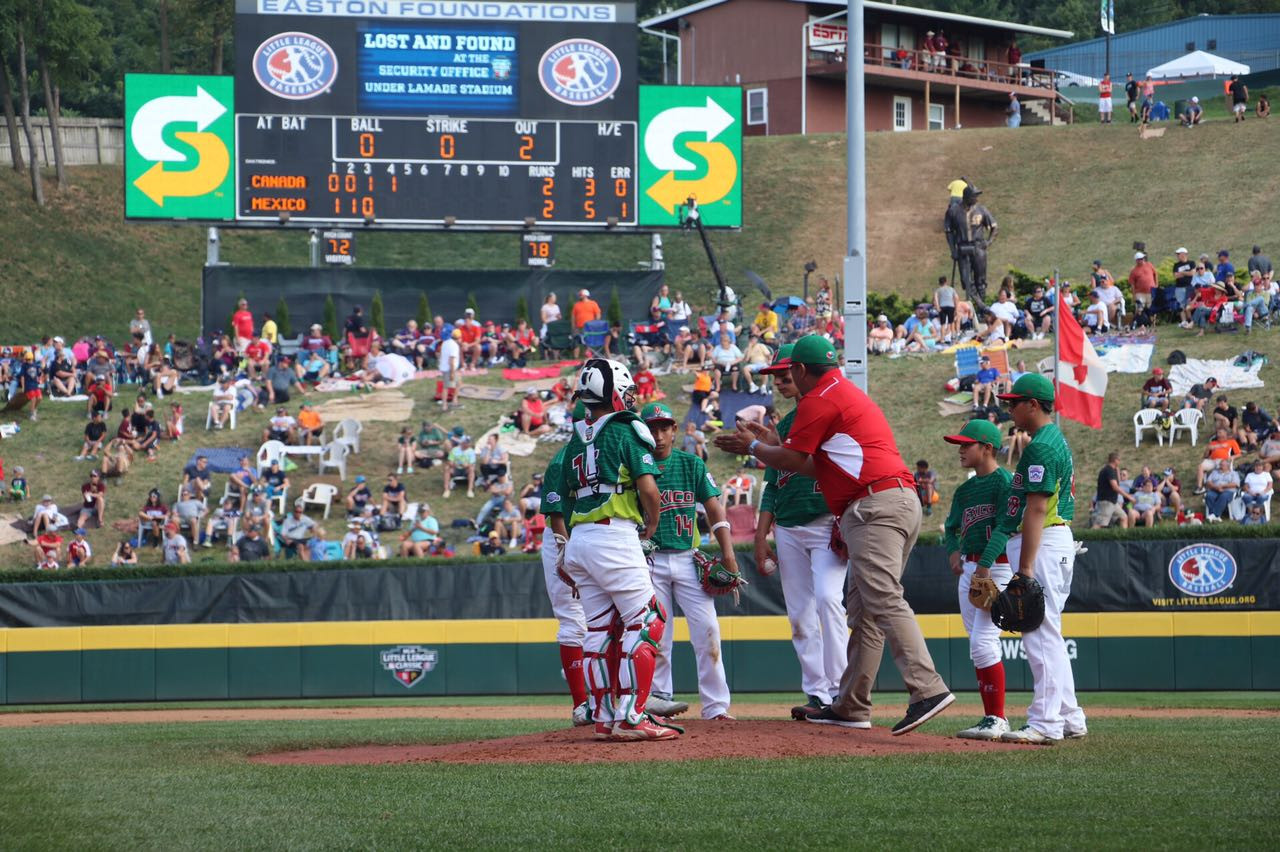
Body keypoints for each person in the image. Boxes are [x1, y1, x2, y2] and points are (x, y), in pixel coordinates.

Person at [716, 335, 954, 734]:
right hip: (890, 500)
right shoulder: (841, 391)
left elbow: (792, 458)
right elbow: (815, 466)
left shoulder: (819, 398)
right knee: (864, 611)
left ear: (800, 369)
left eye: (789, 371)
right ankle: (851, 705)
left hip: (874, 506)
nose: (787, 378)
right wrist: (772, 445)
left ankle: (927, 688)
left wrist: (755, 446)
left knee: (882, 598)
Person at [557, 359, 677, 741]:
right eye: (626, 391)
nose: (632, 397)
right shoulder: (627, 430)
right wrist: (652, 526)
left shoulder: (575, 438)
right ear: (613, 394)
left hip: (580, 539)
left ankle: (605, 717)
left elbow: (565, 497)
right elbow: (648, 489)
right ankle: (632, 717)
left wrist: (566, 548)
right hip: (614, 535)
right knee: (647, 621)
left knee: (598, 630)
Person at [977, 373, 1086, 743]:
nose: (1010, 409)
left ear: (1033, 405)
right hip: (1053, 542)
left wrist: (1024, 570)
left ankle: (1046, 722)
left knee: (1039, 634)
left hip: (1043, 543)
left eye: (1014, 403)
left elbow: (1037, 507)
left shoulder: (1041, 447)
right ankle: (1070, 716)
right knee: (1048, 632)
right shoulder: (1051, 439)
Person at [751, 345, 848, 720]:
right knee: (800, 614)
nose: (779, 381)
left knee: (828, 599)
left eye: (784, 373)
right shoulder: (785, 425)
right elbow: (772, 485)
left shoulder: (829, 412)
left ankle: (841, 692)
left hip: (825, 522)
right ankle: (817, 693)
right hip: (788, 528)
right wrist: (761, 536)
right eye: (775, 376)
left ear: (802, 371)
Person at [637, 401, 737, 722]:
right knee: (658, 634)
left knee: (708, 630)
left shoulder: (690, 464)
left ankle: (716, 706)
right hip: (650, 560)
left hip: (687, 558)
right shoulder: (635, 466)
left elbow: (714, 507)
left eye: (664, 428)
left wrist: (728, 553)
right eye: (652, 429)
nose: (658, 435)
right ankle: (660, 701)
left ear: (674, 430)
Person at [939, 418, 1014, 740]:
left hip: (996, 567)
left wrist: (984, 565)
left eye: (965, 445)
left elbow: (1005, 527)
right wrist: (953, 550)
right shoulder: (965, 490)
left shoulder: (1004, 482)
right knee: (977, 644)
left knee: (983, 642)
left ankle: (997, 718)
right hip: (972, 569)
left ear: (986, 448)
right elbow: (951, 527)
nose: (960, 450)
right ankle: (991, 717)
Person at [535, 403, 593, 726]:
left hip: (595, 535)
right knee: (573, 620)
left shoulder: (606, 452)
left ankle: (611, 697)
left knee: (607, 619)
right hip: (564, 538)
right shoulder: (561, 461)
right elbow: (556, 515)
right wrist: (565, 556)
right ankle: (581, 704)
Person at [943, 185, 998, 314]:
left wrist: (988, 242)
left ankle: (982, 311)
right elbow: (949, 231)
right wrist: (953, 250)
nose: (976, 199)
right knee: (966, 281)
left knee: (981, 280)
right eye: (974, 196)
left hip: (978, 247)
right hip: (962, 247)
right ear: (967, 197)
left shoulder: (981, 210)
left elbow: (994, 227)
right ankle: (982, 306)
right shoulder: (953, 211)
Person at [1092, 451, 1134, 528]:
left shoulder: (1112, 470)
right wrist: (1129, 496)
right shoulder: (1108, 470)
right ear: (1115, 460)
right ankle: (1088, 536)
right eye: (1119, 460)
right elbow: (1115, 487)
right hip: (1106, 501)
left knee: (1124, 517)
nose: (1120, 462)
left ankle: (1124, 536)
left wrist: (1117, 470)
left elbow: (1118, 483)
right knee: (1099, 524)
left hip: (1113, 502)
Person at [1194, 426, 1242, 494]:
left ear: (1225, 433)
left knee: (1222, 466)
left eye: (1220, 432)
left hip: (1223, 460)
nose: (1218, 434)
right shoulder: (1213, 443)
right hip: (1212, 461)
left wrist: (1232, 457)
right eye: (1217, 432)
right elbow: (1205, 456)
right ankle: (1199, 487)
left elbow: (1239, 454)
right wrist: (1208, 449)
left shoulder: (1231, 442)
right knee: (1201, 466)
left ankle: (1222, 485)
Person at [1204, 458, 1240, 523]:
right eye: (1220, 465)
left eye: (1222, 465)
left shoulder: (1233, 473)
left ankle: (1213, 515)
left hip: (1228, 491)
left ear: (1228, 466)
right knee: (1209, 496)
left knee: (1223, 496)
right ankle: (1216, 517)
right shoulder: (1214, 472)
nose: (1220, 466)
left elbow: (1235, 484)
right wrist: (1216, 487)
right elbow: (1208, 482)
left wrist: (1223, 486)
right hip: (1215, 489)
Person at [437, 329, 462, 412]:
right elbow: (451, 360)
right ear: (459, 337)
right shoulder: (454, 346)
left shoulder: (445, 342)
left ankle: (454, 400)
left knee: (459, 383)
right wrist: (452, 373)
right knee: (446, 387)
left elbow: (440, 354)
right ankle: (444, 405)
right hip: (449, 369)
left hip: (447, 368)